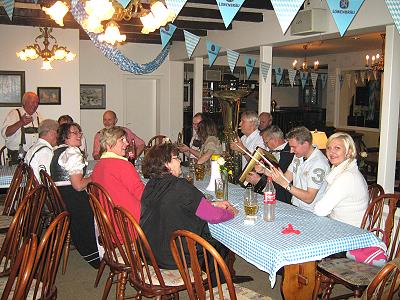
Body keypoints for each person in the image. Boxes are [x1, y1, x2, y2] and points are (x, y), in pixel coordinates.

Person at [140, 143, 237, 282]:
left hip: (149, 252)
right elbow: (214, 216)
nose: (180, 161)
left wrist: (212, 204)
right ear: (166, 164)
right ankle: (216, 286)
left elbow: (177, 204)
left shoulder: (151, 184)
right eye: (176, 158)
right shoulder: (180, 186)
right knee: (220, 242)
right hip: (173, 258)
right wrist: (232, 212)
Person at [50, 123, 100, 268]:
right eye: (75, 133)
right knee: (101, 208)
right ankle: (97, 254)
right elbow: (78, 185)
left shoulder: (58, 151)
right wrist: (95, 176)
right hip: (74, 200)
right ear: (65, 137)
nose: (79, 135)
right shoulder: (72, 152)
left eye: (80, 132)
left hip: (62, 198)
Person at [258, 126, 330, 212]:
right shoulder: (298, 156)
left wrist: (286, 185)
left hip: (312, 212)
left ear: (306, 144)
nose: (291, 151)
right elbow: (285, 178)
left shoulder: (319, 164)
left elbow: (309, 198)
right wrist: (264, 171)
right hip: (296, 207)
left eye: (294, 147)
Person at [92, 126, 144, 234]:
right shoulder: (123, 165)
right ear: (109, 144)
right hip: (130, 225)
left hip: (110, 225)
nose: (127, 143)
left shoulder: (98, 166)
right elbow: (142, 195)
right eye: (122, 140)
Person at [314, 133, 369, 227]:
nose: (331, 152)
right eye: (329, 148)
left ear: (349, 152)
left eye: (337, 148)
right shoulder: (348, 171)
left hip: (350, 232)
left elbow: (320, 210)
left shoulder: (347, 177)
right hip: (340, 225)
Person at [247, 126, 294, 204]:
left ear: (274, 139)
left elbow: (283, 187)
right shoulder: (270, 152)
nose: (265, 146)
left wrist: (259, 181)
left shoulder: (291, 154)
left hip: (281, 201)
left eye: (266, 142)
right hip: (265, 195)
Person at [1, 92, 43, 164]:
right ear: (24, 102)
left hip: (34, 158)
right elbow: (5, 133)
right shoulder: (14, 113)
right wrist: (20, 122)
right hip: (17, 158)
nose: (36, 105)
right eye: (33, 102)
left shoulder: (38, 116)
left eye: (37, 102)